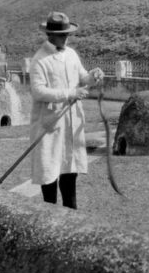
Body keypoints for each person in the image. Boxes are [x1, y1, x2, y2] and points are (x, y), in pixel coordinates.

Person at [28, 11, 104, 209]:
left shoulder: (71, 54)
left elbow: (82, 77)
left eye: (67, 34)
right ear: (50, 35)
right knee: (50, 171)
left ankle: (72, 214)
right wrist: (70, 93)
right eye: (62, 35)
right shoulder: (40, 59)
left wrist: (93, 76)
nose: (66, 38)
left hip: (71, 122)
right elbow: (38, 91)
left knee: (69, 170)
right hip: (50, 123)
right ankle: (49, 215)